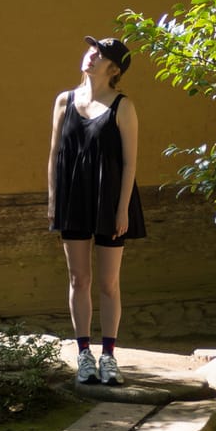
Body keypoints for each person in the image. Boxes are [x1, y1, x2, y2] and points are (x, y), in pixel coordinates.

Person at [47, 34, 144, 385]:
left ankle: (109, 357)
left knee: (108, 282)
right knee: (78, 278)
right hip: (73, 197)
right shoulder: (64, 101)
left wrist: (122, 210)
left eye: (100, 54)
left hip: (109, 200)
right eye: (91, 50)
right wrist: (53, 199)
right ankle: (83, 353)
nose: (91, 56)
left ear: (114, 69)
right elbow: (55, 155)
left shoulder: (123, 107)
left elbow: (130, 164)